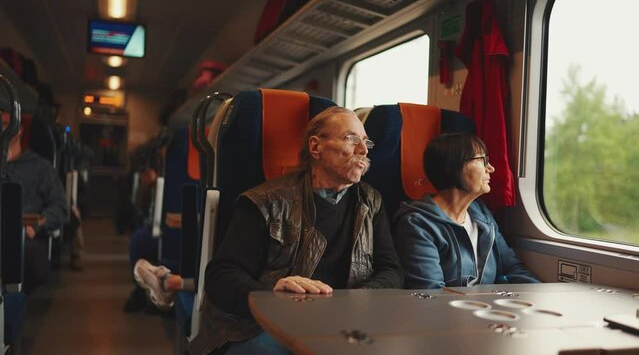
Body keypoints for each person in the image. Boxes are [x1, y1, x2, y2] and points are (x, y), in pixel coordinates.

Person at [135, 106, 404, 354]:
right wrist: (272, 294)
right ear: (316, 147)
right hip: (262, 324)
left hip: (343, 323)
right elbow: (221, 276)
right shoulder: (266, 201)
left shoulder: (371, 202)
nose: (364, 151)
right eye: (350, 139)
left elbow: (391, 271)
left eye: (366, 142)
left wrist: (355, 300)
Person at [394, 133, 538, 289]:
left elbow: (512, 267)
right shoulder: (417, 225)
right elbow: (431, 294)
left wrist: (540, 295)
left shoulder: (481, 214)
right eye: (482, 160)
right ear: (454, 167)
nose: (490, 168)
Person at [2, 112, 68, 293]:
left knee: (24, 257)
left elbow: (60, 207)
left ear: (19, 130)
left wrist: (35, 227)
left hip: (24, 236)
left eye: (6, 124)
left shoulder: (40, 168)